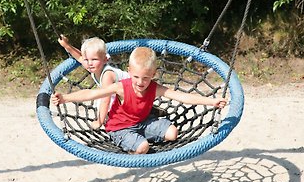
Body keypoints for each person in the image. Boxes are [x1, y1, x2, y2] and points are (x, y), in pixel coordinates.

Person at [51, 46, 228, 154]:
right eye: (136, 77)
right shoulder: (122, 87)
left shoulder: (154, 88)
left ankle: (141, 137)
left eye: (145, 78)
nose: (140, 82)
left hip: (143, 122)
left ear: (153, 74)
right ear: (129, 71)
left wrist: (211, 102)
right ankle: (133, 147)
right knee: (142, 148)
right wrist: (65, 98)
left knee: (173, 134)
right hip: (119, 128)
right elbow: (91, 94)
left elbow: (182, 96)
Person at [58, 36, 129, 129]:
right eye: (86, 60)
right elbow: (80, 57)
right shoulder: (92, 65)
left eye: (94, 59)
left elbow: (105, 100)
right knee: (100, 100)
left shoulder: (107, 75)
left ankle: (111, 119)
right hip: (119, 94)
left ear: (105, 59)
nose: (89, 63)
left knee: (101, 99)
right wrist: (67, 46)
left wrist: (100, 121)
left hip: (134, 93)